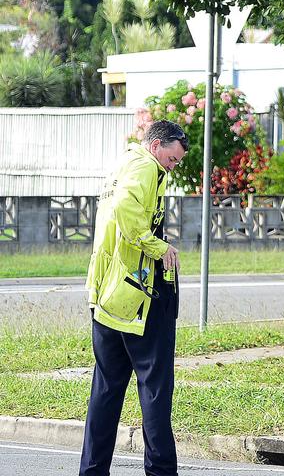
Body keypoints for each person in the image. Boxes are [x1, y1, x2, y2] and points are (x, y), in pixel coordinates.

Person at [79, 120, 187, 476]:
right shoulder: (144, 167)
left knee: (106, 391)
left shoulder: (122, 164)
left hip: (105, 297)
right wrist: (157, 246)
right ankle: (161, 472)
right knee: (155, 390)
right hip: (137, 296)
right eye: (171, 159)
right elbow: (127, 208)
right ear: (156, 146)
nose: (173, 166)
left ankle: (91, 471)